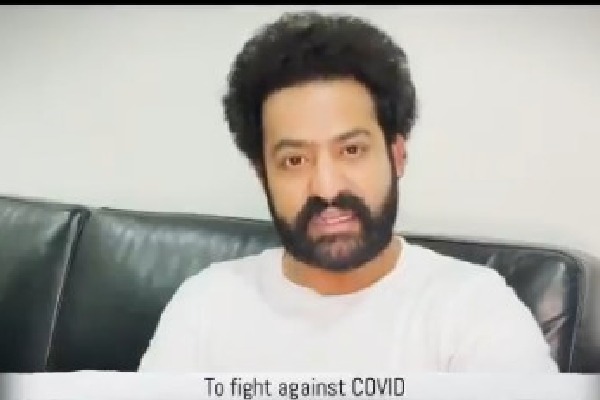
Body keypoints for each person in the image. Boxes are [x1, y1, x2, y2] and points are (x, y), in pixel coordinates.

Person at [138, 11, 558, 373]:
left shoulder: (473, 310)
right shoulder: (207, 305)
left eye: (352, 151)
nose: (327, 188)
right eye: (294, 160)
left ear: (397, 155)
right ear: (262, 174)